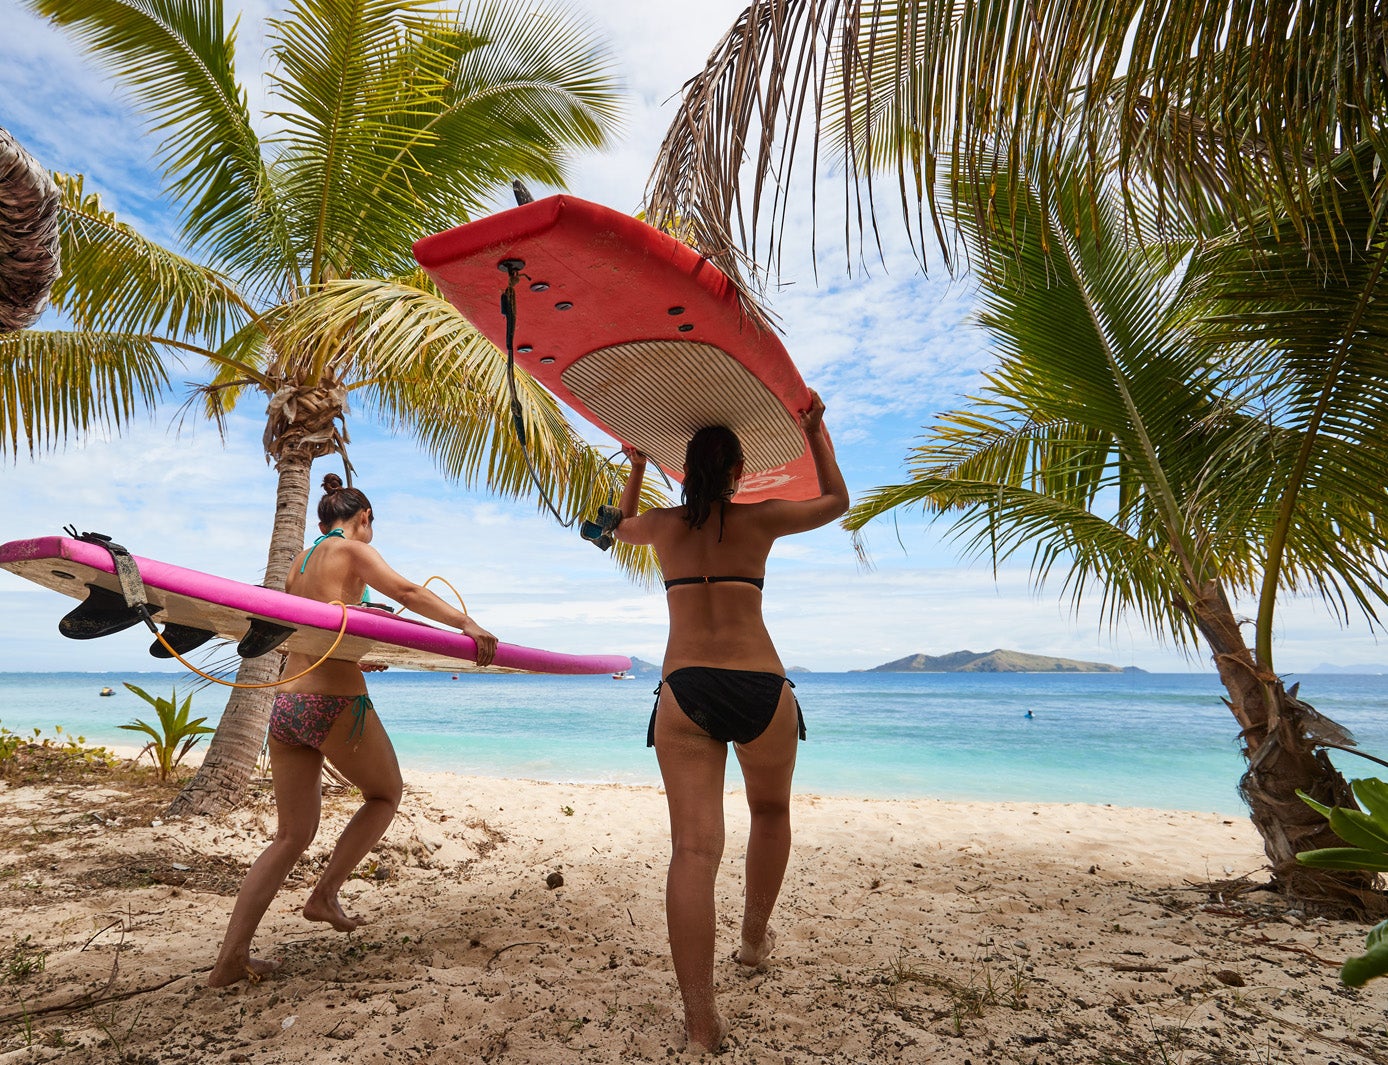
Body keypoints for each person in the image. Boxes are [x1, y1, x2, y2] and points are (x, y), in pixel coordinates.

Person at [609, 390, 848, 1052]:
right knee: (769, 812)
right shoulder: (761, 519)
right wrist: (815, 432)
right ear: (740, 472)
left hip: (686, 688)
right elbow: (836, 502)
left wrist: (636, 467)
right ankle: (752, 940)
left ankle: (700, 1021)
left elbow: (619, 527)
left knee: (693, 850)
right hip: (760, 685)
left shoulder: (661, 527)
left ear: (685, 473)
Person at [208, 473, 498, 988]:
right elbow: (407, 591)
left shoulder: (300, 562)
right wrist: (466, 625)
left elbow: (314, 630)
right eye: (371, 525)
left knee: (290, 835)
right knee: (385, 795)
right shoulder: (353, 549)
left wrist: (358, 656)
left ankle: (230, 960)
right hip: (333, 703)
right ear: (364, 518)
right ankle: (324, 895)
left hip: (287, 703)